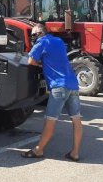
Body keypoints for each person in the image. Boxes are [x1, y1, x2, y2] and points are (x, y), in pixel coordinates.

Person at [23, 24, 82, 162]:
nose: (32, 38)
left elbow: (30, 61)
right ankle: (75, 153)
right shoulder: (58, 41)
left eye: (33, 35)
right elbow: (57, 59)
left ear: (39, 33)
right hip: (72, 84)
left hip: (59, 87)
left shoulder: (42, 42)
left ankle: (39, 150)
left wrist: (40, 64)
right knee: (76, 120)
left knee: (50, 120)